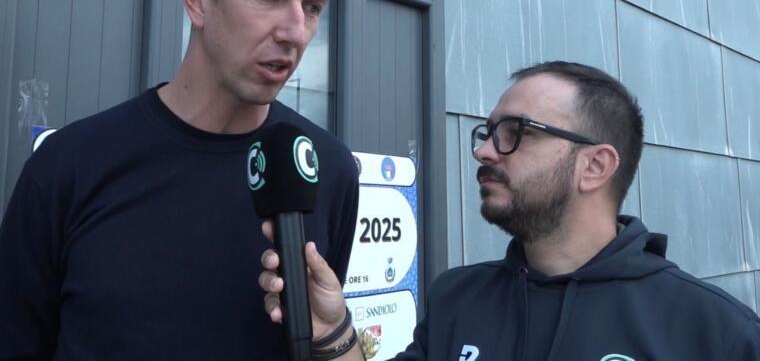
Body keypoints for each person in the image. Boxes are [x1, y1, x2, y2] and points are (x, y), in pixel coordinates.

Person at [0, 0, 359, 360]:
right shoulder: (67, 168)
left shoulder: (326, 170)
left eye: (312, 7)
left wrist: (337, 339)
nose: (296, 32)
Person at [259, 61, 760, 360]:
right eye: (488, 132)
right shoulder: (457, 300)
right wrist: (332, 330)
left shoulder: (714, 333)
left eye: (515, 132)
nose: (484, 151)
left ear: (595, 166)